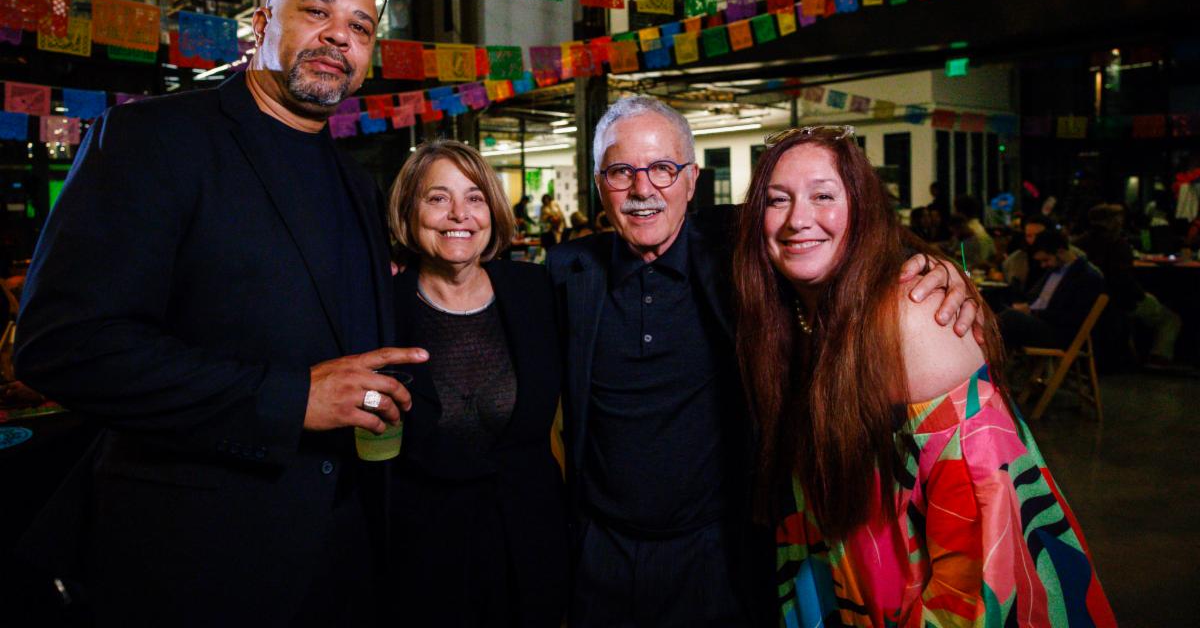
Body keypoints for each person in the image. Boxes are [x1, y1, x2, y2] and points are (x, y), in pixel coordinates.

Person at [12, 0, 426, 625]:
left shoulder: (356, 183)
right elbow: (66, 345)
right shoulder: (154, 137)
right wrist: (289, 399)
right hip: (196, 558)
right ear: (260, 25)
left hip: (341, 552)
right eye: (317, 12)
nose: (339, 36)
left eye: (360, 26)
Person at [546, 97, 981, 627]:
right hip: (602, 554)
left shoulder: (735, 248)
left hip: (720, 551)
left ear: (692, 179)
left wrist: (929, 266)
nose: (643, 189)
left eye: (663, 168)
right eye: (621, 172)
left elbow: (837, 232)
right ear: (599, 183)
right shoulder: (565, 271)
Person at [734, 126, 1115, 627]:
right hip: (843, 580)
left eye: (823, 196)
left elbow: (981, 544)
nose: (797, 219)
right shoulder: (792, 312)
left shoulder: (912, 317)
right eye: (777, 200)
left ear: (863, 209)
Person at [383, 140, 567, 626]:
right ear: (409, 211)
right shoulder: (379, 305)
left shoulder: (535, 292)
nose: (458, 214)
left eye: (475, 198)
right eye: (437, 198)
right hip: (421, 555)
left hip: (529, 545)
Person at [1076, 203, 1180, 365]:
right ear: (1114, 221)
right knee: (1170, 319)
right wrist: (1142, 296)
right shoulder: (1118, 245)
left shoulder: (1078, 243)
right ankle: (1159, 357)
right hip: (1121, 301)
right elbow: (1123, 282)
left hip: (1089, 300)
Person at [997, 228, 1106, 352]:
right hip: (1041, 321)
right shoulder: (1055, 270)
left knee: (1009, 319)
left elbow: (1072, 316)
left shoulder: (1086, 276)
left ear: (1060, 252)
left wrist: (1033, 311)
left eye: (1046, 260)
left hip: (1060, 332)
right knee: (997, 310)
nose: (1043, 265)